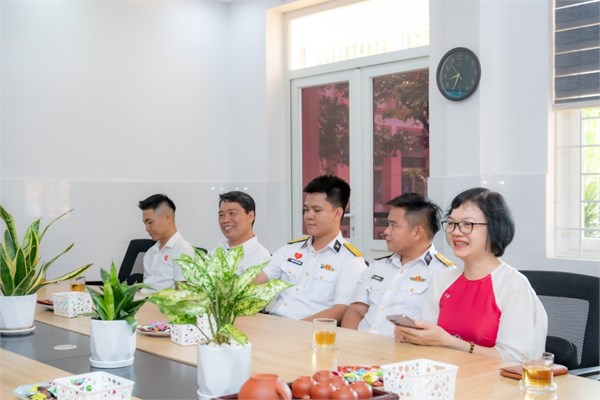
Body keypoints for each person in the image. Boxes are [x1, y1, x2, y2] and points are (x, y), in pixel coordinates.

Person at [394, 187, 548, 362]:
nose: (456, 232)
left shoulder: (513, 285)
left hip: (492, 379)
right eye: (452, 223)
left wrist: (450, 342)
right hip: (445, 374)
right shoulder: (443, 280)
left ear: (495, 228)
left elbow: (516, 359)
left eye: (468, 224)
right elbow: (430, 340)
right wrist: (412, 336)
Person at [255, 175, 367, 322]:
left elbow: (340, 310)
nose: (308, 216)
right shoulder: (291, 249)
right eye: (306, 210)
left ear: (337, 213)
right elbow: (259, 279)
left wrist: (297, 329)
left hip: (309, 331)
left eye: (317, 210)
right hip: (274, 323)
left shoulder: (350, 260)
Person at [341, 193, 455, 336]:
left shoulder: (444, 274)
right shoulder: (377, 267)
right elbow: (356, 310)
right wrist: (348, 343)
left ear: (417, 233)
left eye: (393, 226)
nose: (386, 231)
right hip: (360, 345)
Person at [138, 194, 195, 293]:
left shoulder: (183, 250)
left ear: (167, 218)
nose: (147, 228)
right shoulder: (150, 252)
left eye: (150, 222)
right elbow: (147, 286)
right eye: (145, 223)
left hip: (160, 303)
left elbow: (182, 295)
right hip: (143, 300)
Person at [211, 190, 271, 273]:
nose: (225, 220)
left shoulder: (260, 257)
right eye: (221, 215)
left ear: (251, 216)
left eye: (232, 213)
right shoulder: (218, 248)